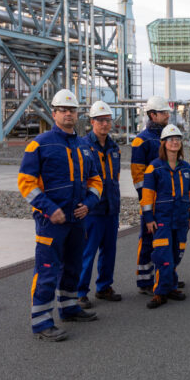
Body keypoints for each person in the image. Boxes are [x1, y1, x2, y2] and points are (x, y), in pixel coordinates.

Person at [18, 89, 102, 341]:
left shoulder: (84, 146)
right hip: (50, 221)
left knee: (73, 266)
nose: (68, 114)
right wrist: (49, 208)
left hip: (77, 218)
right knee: (47, 270)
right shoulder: (40, 144)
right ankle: (42, 322)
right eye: (63, 110)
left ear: (77, 114)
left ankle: (69, 307)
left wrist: (89, 204)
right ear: (53, 113)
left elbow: (95, 180)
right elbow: (26, 182)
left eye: (72, 110)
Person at [140, 124, 190, 309]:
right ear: (163, 143)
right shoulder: (154, 167)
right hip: (162, 220)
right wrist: (149, 218)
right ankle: (160, 292)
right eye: (171, 139)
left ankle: (171, 286)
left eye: (178, 139)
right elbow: (147, 195)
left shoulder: (186, 168)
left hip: (181, 219)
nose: (175, 142)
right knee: (163, 256)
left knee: (176, 255)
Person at [76, 101, 122, 308]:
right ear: (92, 122)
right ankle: (80, 292)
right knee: (87, 252)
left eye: (107, 120)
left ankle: (104, 287)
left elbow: (115, 178)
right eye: (100, 120)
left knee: (109, 252)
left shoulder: (114, 148)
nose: (105, 124)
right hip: (92, 210)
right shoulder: (83, 146)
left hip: (111, 208)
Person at [132, 95, 172, 294]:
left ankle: (165, 278)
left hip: (168, 201)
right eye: (163, 112)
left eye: (167, 112)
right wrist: (146, 203)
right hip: (151, 202)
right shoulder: (141, 141)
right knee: (148, 241)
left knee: (167, 242)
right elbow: (138, 175)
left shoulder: (167, 138)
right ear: (152, 115)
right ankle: (144, 281)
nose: (167, 115)